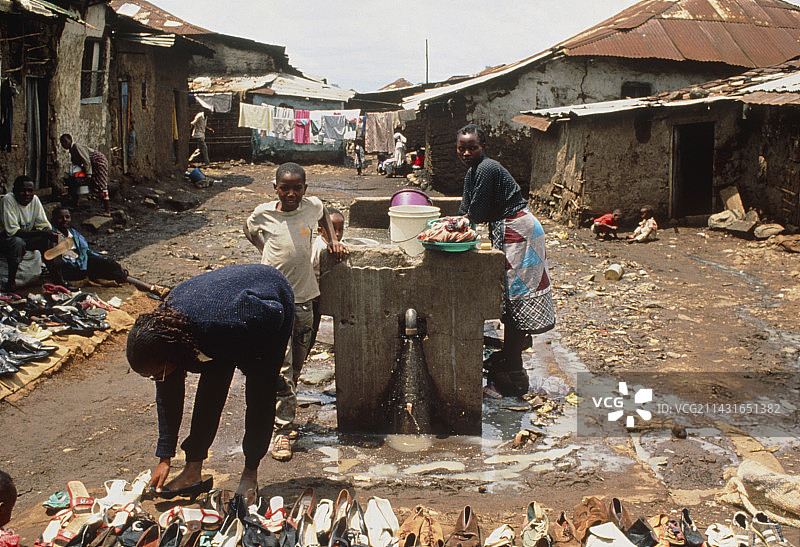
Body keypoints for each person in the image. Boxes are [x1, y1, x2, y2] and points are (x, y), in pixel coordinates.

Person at [126, 264, 294, 497]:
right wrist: (165, 457)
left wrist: (255, 366)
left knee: (259, 395)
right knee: (211, 389)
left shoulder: (216, 326)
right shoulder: (165, 332)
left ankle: (250, 474)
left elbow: (273, 313)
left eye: (157, 373)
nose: (157, 379)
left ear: (169, 354)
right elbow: (168, 395)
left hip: (268, 307)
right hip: (220, 316)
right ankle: (192, 470)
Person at [244, 163, 347, 462]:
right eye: (285, 188)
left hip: (304, 301)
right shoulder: (264, 213)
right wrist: (264, 250)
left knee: (297, 364)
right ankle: (282, 432)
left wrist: (333, 240)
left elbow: (325, 212)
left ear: (305, 188)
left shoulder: (312, 207)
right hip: (272, 301)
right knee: (283, 368)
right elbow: (249, 230)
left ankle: (281, 408)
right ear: (275, 187)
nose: (291, 193)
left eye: (297, 187)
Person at [456, 124, 555, 397]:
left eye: (472, 147)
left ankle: (512, 358)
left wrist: (455, 227)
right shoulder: (473, 172)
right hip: (509, 229)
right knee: (512, 296)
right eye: (462, 148)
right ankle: (511, 355)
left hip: (520, 231)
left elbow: (475, 212)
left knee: (517, 296)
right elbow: (466, 209)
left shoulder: (488, 169)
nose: (466, 152)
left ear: (483, 147)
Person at [50, 207, 168, 297]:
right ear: (54, 220)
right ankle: (150, 287)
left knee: (110, 265)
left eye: (67, 217)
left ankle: (151, 288)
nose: (64, 220)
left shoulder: (73, 233)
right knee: (109, 267)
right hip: (70, 267)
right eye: (60, 218)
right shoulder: (53, 235)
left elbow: (84, 251)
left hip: (82, 262)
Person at [0, 176, 66, 291]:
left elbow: (43, 224)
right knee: (17, 242)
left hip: (25, 238)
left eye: (30, 190)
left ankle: (58, 279)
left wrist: (51, 233)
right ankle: (11, 283)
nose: (27, 194)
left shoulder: (34, 200)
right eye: (22, 190)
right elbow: (13, 231)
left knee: (48, 240)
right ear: (15, 191)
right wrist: (42, 232)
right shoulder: (8, 200)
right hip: (6, 240)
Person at [309, 207, 345, 349]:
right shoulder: (321, 247)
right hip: (314, 296)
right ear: (320, 230)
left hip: (318, 294)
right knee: (310, 330)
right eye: (332, 229)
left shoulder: (328, 244)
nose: (336, 234)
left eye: (340, 230)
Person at [59, 134, 111, 216]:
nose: (64, 144)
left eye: (65, 142)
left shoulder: (76, 147)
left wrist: (88, 175)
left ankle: (107, 211)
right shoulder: (72, 150)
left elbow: (86, 161)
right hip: (93, 164)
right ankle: (75, 204)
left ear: (70, 140)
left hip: (99, 162)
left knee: (101, 185)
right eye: (62, 143)